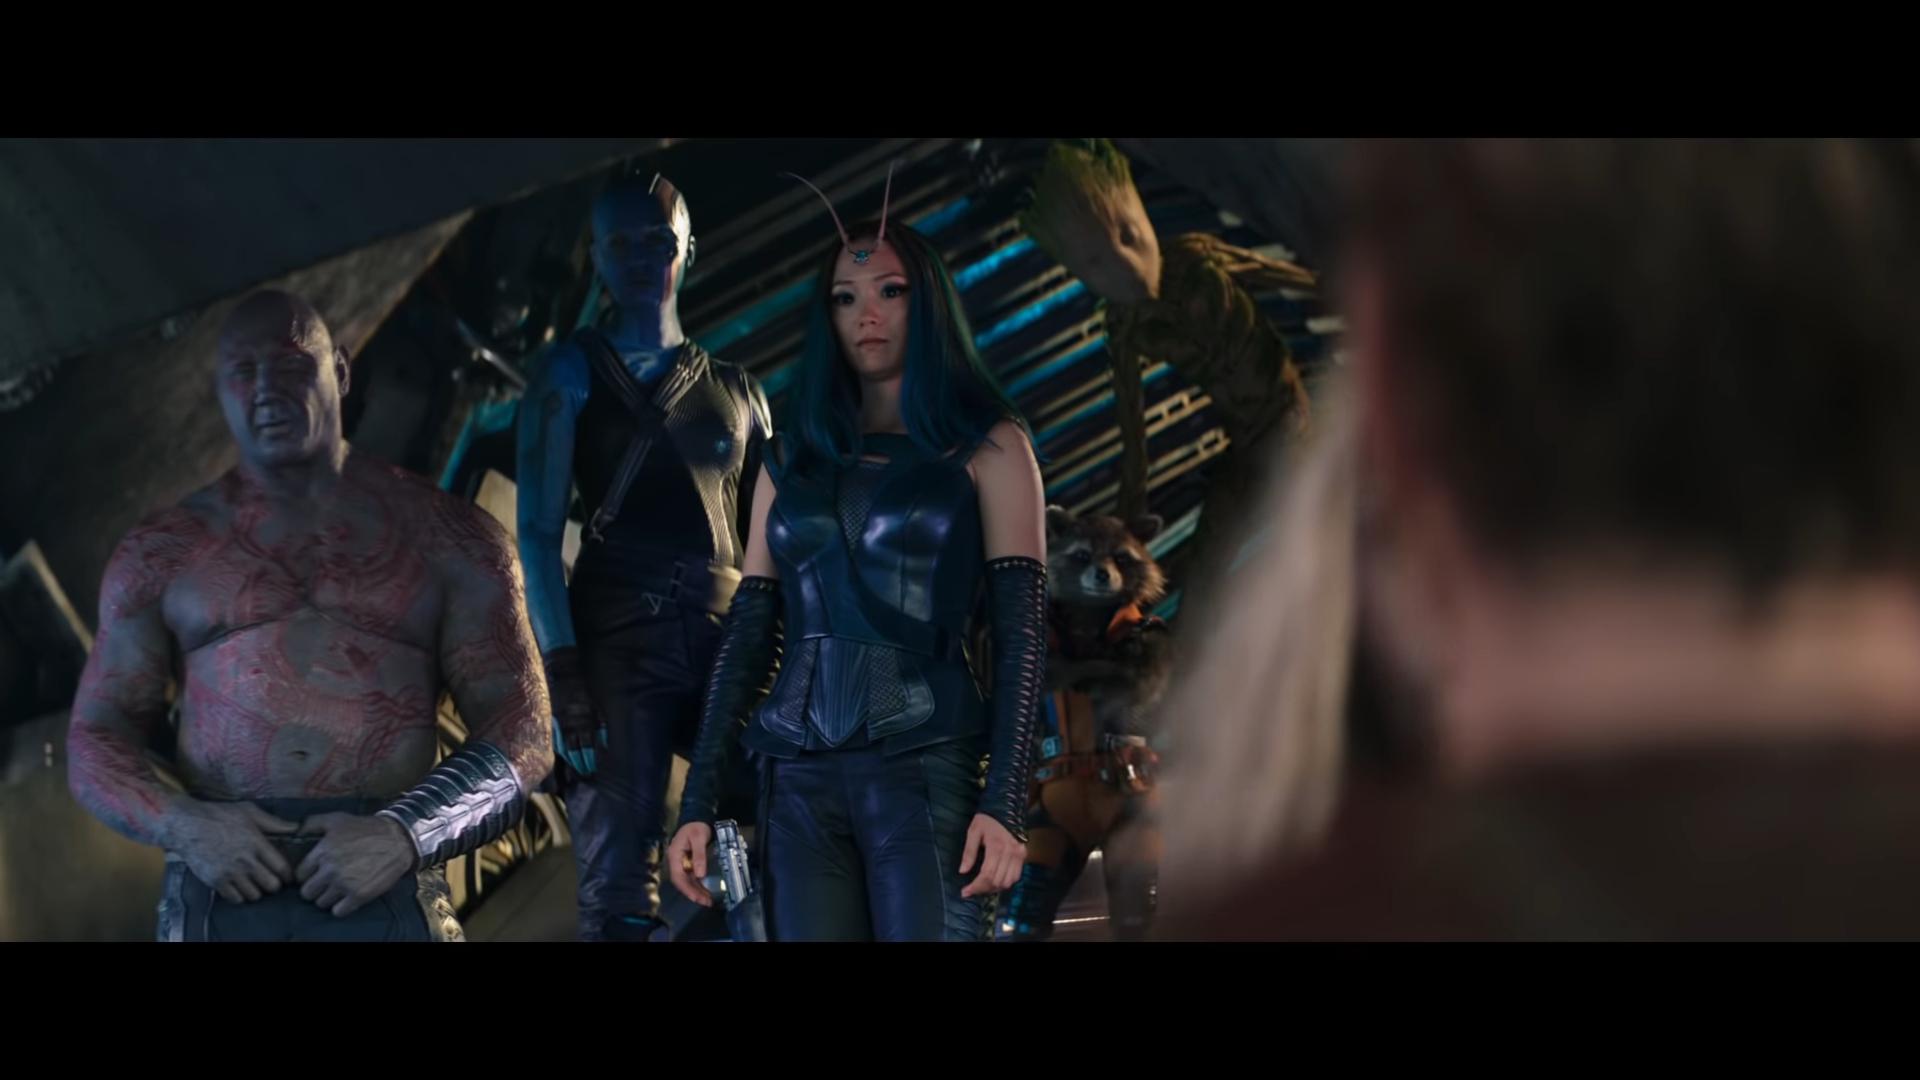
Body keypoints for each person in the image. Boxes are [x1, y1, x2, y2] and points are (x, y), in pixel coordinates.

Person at [68, 290, 551, 942]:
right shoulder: (161, 552)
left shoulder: (451, 539)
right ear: (219, 389)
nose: (268, 390)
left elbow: (525, 732)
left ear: (341, 371)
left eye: (292, 364)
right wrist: (183, 825)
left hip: (385, 873)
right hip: (222, 874)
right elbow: (94, 737)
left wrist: (406, 833)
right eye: (244, 371)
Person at [664, 173, 1048, 941]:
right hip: (795, 777)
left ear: (927, 301)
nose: (866, 313)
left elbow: (1022, 635)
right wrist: (698, 802)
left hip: (926, 766)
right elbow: (750, 632)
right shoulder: (788, 458)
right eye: (845, 297)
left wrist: (1005, 801)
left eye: (890, 291)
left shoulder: (992, 445)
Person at [516, 171, 769, 941]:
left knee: (790, 833)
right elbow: (536, 533)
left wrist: (781, 653)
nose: (638, 259)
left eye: (656, 241)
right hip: (617, 641)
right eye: (619, 244)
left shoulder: (741, 392)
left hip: (727, 638)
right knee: (620, 890)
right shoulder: (569, 372)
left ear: (688, 248)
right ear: (595, 258)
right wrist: (563, 671)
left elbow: (772, 547)